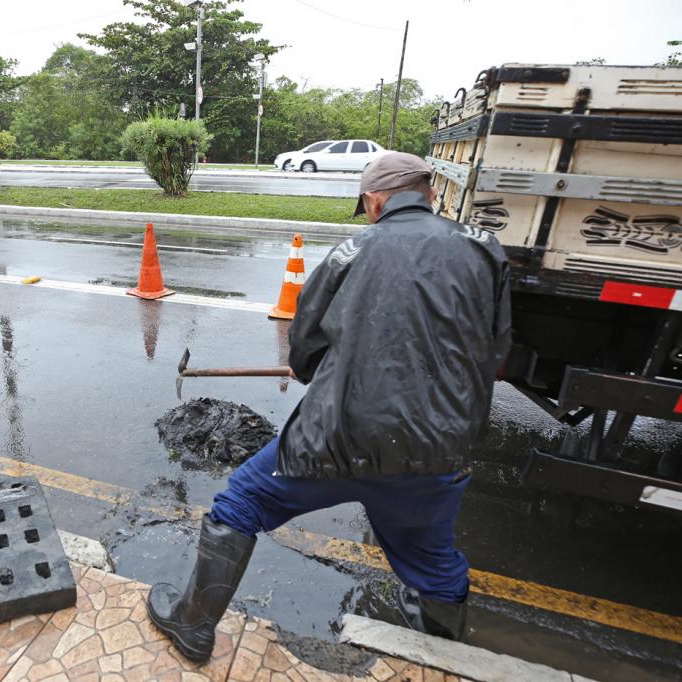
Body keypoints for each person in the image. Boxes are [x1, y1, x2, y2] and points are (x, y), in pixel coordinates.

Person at [146, 153, 512, 662]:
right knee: (433, 559)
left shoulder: (350, 252)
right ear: (429, 195)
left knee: (240, 504)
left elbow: (304, 348)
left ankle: (192, 627)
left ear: (374, 201)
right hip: (437, 450)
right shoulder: (484, 248)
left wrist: (319, 369)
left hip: (337, 439)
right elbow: (496, 351)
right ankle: (442, 658)